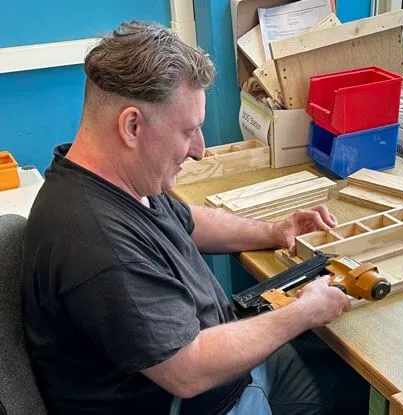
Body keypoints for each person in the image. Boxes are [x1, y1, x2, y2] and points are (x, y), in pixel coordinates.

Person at [22, 21, 367, 415]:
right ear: (132, 126)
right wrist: (304, 312)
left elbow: (186, 220)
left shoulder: (116, 179)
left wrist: (274, 230)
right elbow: (188, 370)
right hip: (205, 397)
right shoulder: (95, 241)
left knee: (349, 384)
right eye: (189, 131)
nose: (200, 151)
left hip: (229, 365)